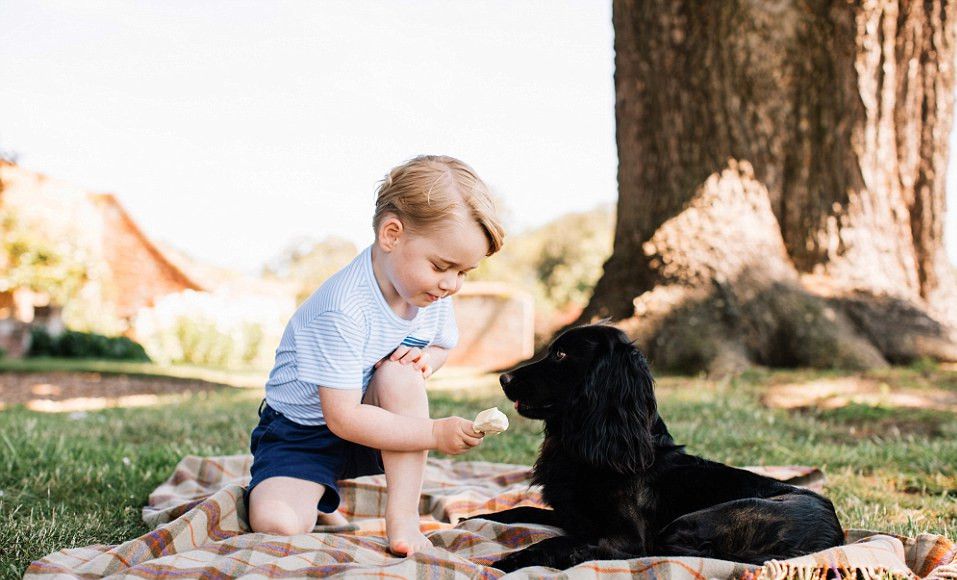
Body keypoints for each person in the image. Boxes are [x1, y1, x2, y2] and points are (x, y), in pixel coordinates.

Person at [245, 155, 506, 556]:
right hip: (303, 432)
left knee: (401, 376)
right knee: (277, 524)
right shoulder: (343, 309)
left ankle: (402, 521)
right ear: (391, 234)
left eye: (463, 272)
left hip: (375, 421)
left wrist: (425, 362)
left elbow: (440, 345)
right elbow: (342, 417)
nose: (452, 284)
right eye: (442, 266)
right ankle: (310, 491)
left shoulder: (429, 292)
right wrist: (435, 433)